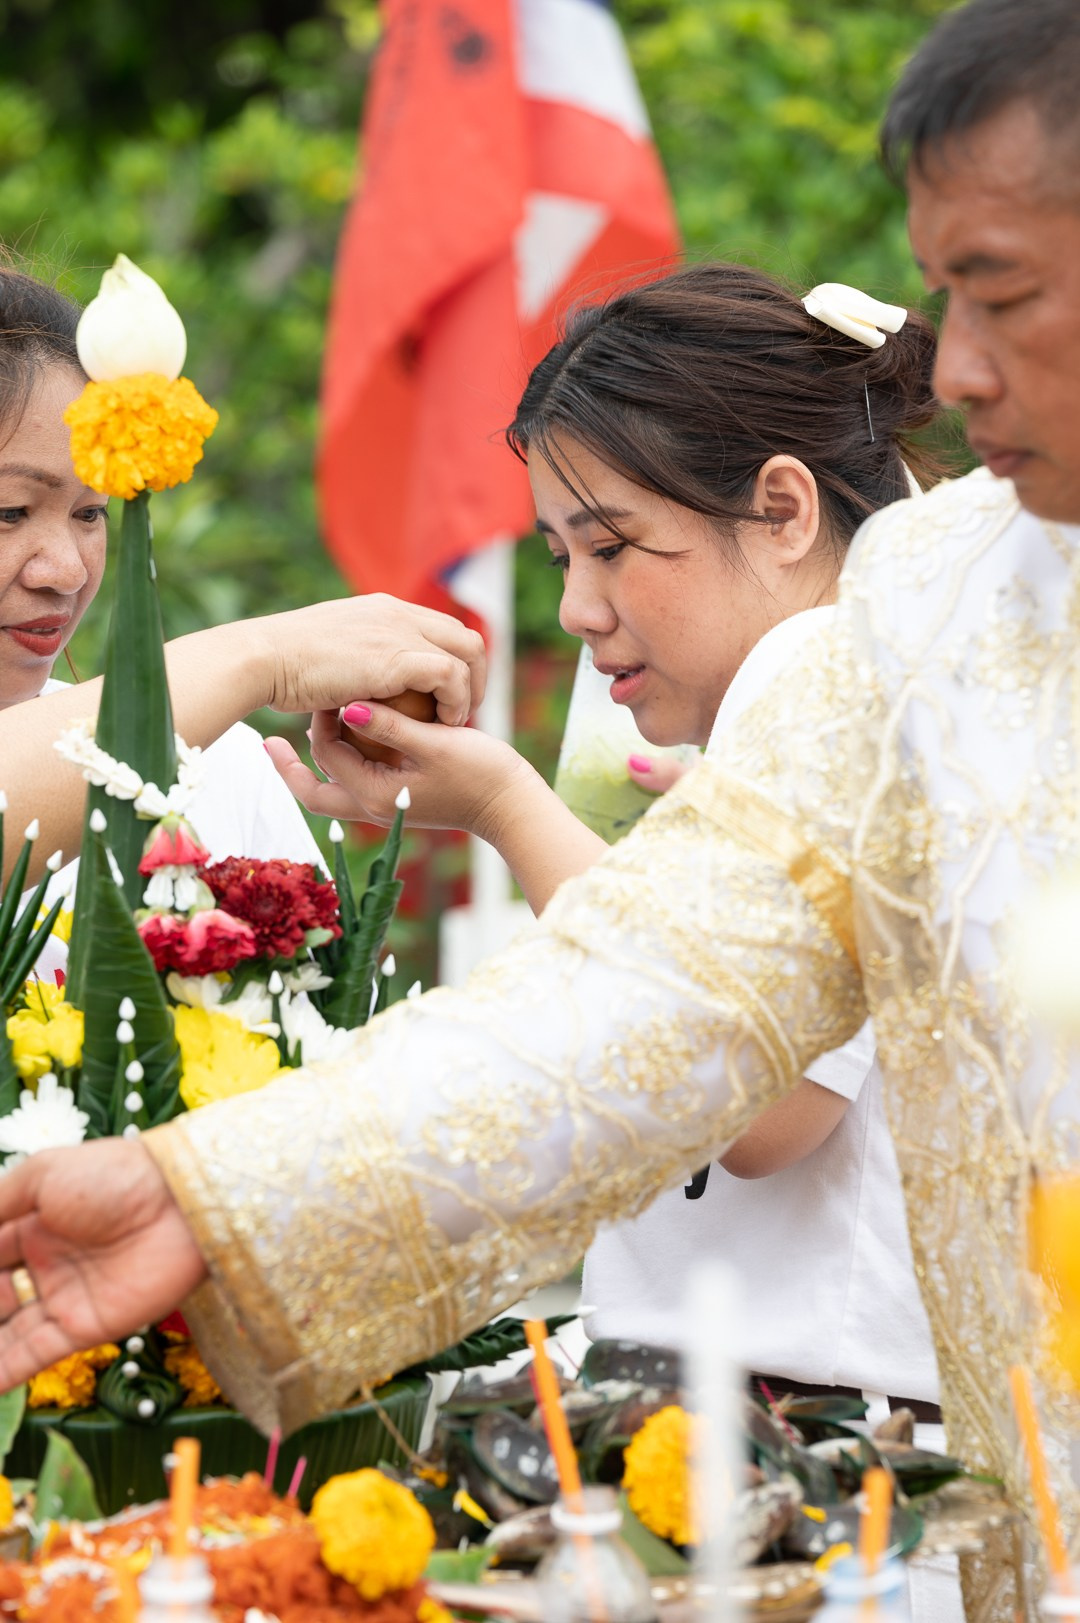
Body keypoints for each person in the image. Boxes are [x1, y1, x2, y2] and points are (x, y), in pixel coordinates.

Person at [0, 3, 1077, 1617]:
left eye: (1002, 293)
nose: (962, 365)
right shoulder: (934, 610)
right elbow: (681, 982)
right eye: (944, 298)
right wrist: (215, 1191)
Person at [268, 260, 947, 1433]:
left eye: (614, 546)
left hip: (822, 1483)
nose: (579, 607)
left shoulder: (831, 673)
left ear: (783, 511)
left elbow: (761, 1102)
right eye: (558, 558)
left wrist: (506, 809)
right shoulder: (890, 669)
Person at [0, 269, 485, 886]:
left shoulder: (209, 767)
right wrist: (262, 656)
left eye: (91, 512)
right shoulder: (200, 724)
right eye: (9, 511)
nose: (67, 572)